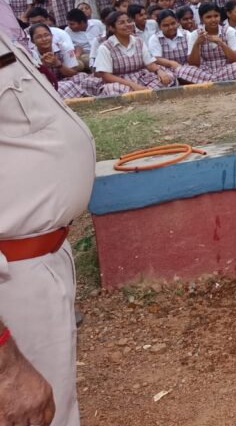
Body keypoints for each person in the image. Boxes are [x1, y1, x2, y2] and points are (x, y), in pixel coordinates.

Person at [0, 23, 96, 426]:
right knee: (28, 406)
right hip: (11, 278)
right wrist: (4, 366)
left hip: (39, 261)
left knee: (53, 406)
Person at [91, 10, 176, 95]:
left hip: (141, 78)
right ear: (112, 28)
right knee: (111, 89)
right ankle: (147, 94)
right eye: (122, 23)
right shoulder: (105, 47)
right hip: (120, 82)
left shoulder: (138, 41)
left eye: (129, 21)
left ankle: (143, 94)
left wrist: (159, 71)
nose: (128, 25)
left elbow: (150, 64)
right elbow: (106, 76)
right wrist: (133, 85)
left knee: (168, 76)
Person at [175, 2, 236, 84]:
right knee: (182, 71)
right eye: (208, 17)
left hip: (226, 69)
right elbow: (193, 64)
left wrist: (221, 43)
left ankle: (208, 84)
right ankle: (221, 83)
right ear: (201, 19)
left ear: (220, 16)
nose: (213, 20)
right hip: (204, 72)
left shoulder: (229, 31)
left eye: (216, 16)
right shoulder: (195, 34)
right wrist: (197, 44)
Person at [28, 23, 96, 99]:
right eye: (39, 37)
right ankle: (83, 94)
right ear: (33, 41)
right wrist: (43, 67)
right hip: (48, 86)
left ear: (52, 36)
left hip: (64, 80)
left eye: (46, 35)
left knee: (82, 76)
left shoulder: (63, 47)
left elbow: (73, 73)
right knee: (66, 86)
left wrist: (58, 64)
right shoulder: (31, 54)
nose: (44, 39)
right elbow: (36, 81)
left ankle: (78, 93)